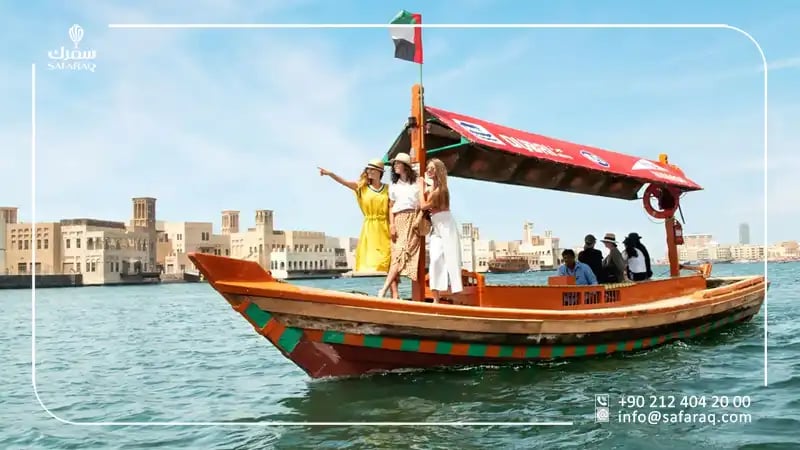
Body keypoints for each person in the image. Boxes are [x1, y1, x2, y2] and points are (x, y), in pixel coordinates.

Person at [318, 159, 391, 275]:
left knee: (386, 257)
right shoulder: (361, 187)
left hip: (385, 226)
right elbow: (344, 182)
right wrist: (330, 174)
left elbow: (392, 208)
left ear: (380, 172)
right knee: (371, 261)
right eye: (368, 169)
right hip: (370, 228)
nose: (370, 171)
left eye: (373, 169)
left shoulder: (388, 189)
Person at [417, 158, 463, 303]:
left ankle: (456, 298)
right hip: (437, 227)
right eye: (428, 168)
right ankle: (436, 299)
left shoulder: (441, 190)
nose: (429, 170)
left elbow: (423, 205)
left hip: (447, 225)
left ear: (439, 170)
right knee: (435, 260)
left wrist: (420, 186)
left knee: (452, 259)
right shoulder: (431, 189)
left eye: (432, 168)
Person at [377, 152, 422, 299]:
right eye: (394, 164)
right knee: (398, 255)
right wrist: (392, 225)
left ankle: (386, 290)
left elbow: (422, 201)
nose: (395, 166)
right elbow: (391, 206)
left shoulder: (417, 182)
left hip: (413, 219)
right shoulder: (393, 186)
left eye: (398, 163)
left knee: (403, 254)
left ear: (406, 166)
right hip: (398, 219)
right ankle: (386, 290)